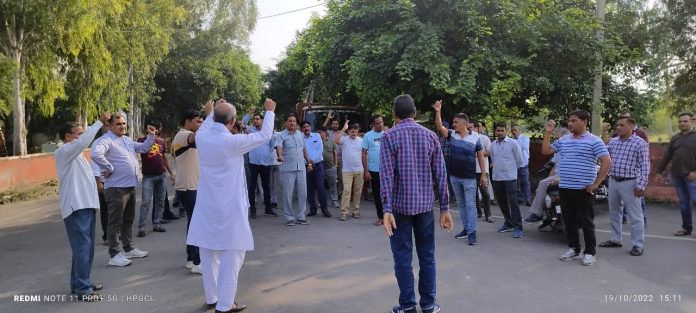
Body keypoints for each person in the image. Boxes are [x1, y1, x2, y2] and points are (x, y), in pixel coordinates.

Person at [187, 98, 276, 313]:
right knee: (232, 255)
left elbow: (209, 123)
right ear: (233, 120)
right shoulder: (232, 142)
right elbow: (264, 135)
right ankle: (225, 305)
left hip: (207, 205)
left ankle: (213, 297)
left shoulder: (203, 136)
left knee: (208, 252)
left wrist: (210, 111)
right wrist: (270, 112)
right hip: (230, 207)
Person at [380, 94, 452, 313]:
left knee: (402, 257)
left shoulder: (389, 137)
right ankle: (429, 304)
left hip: (399, 209)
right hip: (425, 207)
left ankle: (408, 306)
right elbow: (441, 173)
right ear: (415, 113)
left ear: (394, 114)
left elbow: (386, 176)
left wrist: (386, 209)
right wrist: (445, 208)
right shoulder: (430, 136)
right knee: (427, 255)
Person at [542, 111, 611, 266]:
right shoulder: (564, 140)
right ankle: (574, 248)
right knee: (569, 221)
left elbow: (606, 161)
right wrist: (548, 132)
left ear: (584, 121)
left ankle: (590, 252)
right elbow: (546, 151)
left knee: (586, 222)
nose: (570, 123)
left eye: (574, 120)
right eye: (569, 121)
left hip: (584, 189)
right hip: (565, 187)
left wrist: (596, 183)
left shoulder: (594, 140)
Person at [55, 112, 109, 301]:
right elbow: (81, 143)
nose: (82, 137)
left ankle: (80, 283)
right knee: (82, 249)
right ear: (68, 137)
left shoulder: (76, 156)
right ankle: (83, 289)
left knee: (85, 249)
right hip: (76, 208)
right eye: (78, 133)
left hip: (86, 207)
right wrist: (98, 123)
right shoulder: (63, 151)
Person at [91, 114, 155, 266]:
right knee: (115, 222)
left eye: (124, 123)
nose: (123, 126)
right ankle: (114, 254)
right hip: (116, 188)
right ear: (110, 125)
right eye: (118, 124)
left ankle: (128, 248)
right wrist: (108, 167)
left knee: (128, 219)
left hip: (129, 185)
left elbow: (144, 148)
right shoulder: (105, 140)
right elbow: (95, 154)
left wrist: (151, 136)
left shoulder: (126, 140)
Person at [433, 102, 487, 246]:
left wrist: (483, 174)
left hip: (469, 177)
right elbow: (440, 127)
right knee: (462, 204)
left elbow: (480, 156)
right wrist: (438, 111)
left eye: (456, 122)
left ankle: (472, 233)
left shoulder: (476, 137)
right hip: (455, 177)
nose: (453, 124)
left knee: (470, 205)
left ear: (464, 123)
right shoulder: (452, 135)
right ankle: (466, 229)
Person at [599, 116, 649, 256]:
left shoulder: (639, 143)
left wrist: (641, 185)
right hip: (614, 181)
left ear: (632, 126)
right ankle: (616, 239)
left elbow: (645, 166)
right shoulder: (613, 142)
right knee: (614, 212)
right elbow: (603, 150)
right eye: (617, 125)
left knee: (635, 216)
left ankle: (638, 245)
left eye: (622, 125)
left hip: (631, 182)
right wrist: (604, 131)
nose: (618, 128)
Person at [172, 108, 204, 274]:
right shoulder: (183, 134)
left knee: (193, 222)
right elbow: (196, 137)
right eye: (198, 121)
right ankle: (197, 261)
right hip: (188, 187)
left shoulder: (185, 136)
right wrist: (212, 116)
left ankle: (192, 259)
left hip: (192, 186)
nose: (201, 124)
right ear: (187, 121)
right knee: (196, 223)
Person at [656, 112, 696, 236]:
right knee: (684, 203)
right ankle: (686, 228)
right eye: (680, 121)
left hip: (692, 176)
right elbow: (668, 156)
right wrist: (659, 171)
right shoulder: (675, 138)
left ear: (692, 122)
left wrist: (694, 171)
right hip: (677, 175)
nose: (682, 123)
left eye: (685, 121)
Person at [136, 124, 175, 237]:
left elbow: (164, 158)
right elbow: (140, 150)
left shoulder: (161, 142)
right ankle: (141, 227)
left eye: (156, 128)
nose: (154, 130)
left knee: (160, 201)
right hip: (148, 177)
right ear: (146, 129)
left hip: (161, 175)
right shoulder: (141, 141)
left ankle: (157, 223)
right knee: (146, 202)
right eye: (151, 128)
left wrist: (171, 173)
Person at [524, 128, 569, 223]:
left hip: (569, 177)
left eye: (557, 138)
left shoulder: (572, 150)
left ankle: (537, 213)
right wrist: (547, 181)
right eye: (555, 139)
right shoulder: (559, 152)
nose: (555, 141)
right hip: (556, 178)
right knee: (542, 184)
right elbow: (554, 167)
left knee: (543, 183)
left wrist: (560, 178)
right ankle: (544, 213)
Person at [275, 114, 313, 226]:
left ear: (296, 123)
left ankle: (301, 216)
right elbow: (279, 147)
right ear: (286, 123)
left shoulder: (300, 134)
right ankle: (289, 217)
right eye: (290, 121)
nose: (292, 123)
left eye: (294, 121)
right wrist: (280, 156)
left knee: (303, 193)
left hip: (301, 167)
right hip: (288, 168)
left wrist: (309, 162)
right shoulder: (281, 135)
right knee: (288, 194)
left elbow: (304, 149)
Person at [490, 122, 525, 239]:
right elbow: (493, 160)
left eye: (502, 131)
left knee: (513, 203)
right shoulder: (493, 144)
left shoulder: (513, 143)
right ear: (495, 131)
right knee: (502, 202)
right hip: (497, 177)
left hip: (510, 178)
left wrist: (512, 171)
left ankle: (518, 228)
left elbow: (519, 160)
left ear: (506, 131)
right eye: (498, 131)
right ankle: (508, 223)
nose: (500, 133)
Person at [244, 112, 277, 218]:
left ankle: (268, 209)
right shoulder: (251, 131)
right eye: (254, 119)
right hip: (253, 162)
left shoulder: (268, 132)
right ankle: (252, 210)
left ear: (262, 120)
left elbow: (272, 146)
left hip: (265, 163)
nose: (255, 120)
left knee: (266, 186)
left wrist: (266, 154)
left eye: (257, 119)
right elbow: (242, 123)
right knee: (252, 187)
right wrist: (249, 114)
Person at [335, 121, 364, 221]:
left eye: (356, 131)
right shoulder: (344, 139)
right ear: (348, 131)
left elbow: (364, 154)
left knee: (357, 192)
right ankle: (344, 212)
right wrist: (343, 128)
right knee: (346, 191)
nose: (354, 133)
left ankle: (355, 211)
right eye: (352, 131)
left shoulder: (361, 140)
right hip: (347, 171)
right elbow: (337, 140)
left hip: (359, 170)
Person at [301, 121, 331, 217]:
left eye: (307, 126)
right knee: (309, 188)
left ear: (310, 127)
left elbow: (320, 150)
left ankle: (324, 209)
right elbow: (301, 151)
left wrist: (311, 161)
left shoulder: (317, 136)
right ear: (302, 129)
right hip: (306, 166)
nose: (306, 128)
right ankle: (313, 209)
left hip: (318, 165)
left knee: (320, 186)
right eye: (304, 127)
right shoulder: (300, 138)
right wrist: (308, 163)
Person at [362, 114, 385, 226]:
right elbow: (363, 153)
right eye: (378, 123)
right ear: (373, 124)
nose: (380, 124)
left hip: (387, 169)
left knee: (389, 194)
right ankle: (381, 217)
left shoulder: (387, 134)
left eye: (381, 122)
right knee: (377, 194)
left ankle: (390, 216)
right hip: (374, 170)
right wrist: (366, 171)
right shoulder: (368, 136)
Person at [472, 121, 494, 223]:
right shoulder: (466, 138)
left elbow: (490, 151)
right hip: (470, 170)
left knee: (484, 192)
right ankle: (478, 212)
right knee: (473, 193)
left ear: (477, 128)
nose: (469, 130)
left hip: (482, 171)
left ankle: (488, 215)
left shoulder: (484, 138)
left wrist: (478, 154)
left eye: (472, 127)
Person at [318, 126, 339, 208]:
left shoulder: (331, 141)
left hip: (331, 166)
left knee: (333, 184)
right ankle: (321, 201)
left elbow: (335, 153)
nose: (319, 134)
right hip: (320, 166)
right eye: (318, 132)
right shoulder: (317, 141)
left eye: (320, 132)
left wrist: (336, 164)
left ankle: (334, 200)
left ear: (325, 132)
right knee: (320, 185)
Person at [511, 124, 531, 206]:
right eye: (512, 130)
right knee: (515, 183)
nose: (513, 132)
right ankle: (519, 198)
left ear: (519, 130)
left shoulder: (525, 138)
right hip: (514, 165)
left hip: (523, 164)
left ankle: (528, 198)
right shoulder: (511, 140)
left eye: (515, 130)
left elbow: (522, 147)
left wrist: (517, 138)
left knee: (525, 182)